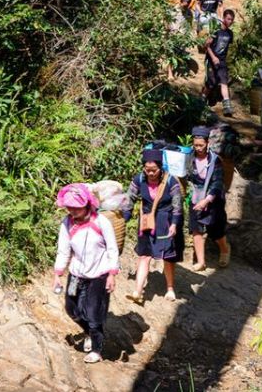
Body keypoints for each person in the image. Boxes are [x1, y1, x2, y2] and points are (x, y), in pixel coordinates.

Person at [52, 183, 119, 364]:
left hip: (99, 275)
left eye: (76, 207)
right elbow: (64, 250)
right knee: (71, 308)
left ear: (87, 204)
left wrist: (112, 274)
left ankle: (97, 349)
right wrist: (58, 273)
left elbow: (112, 249)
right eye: (69, 207)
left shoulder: (101, 222)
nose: (72, 211)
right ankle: (89, 332)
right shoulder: (67, 223)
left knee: (93, 312)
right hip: (76, 275)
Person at [122, 148, 184, 304]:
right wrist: (125, 217)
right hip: (146, 222)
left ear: (160, 167)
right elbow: (130, 198)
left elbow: (177, 205)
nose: (150, 173)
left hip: (165, 222)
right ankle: (138, 291)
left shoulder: (171, 181)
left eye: (154, 170)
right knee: (144, 255)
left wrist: (175, 224)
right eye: (147, 170)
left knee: (167, 257)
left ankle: (170, 288)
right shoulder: (139, 179)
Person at [187, 126, 230, 271]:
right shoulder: (189, 158)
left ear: (208, 144)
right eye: (196, 145)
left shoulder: (215, 161)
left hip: (213, 199)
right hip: (195, 196)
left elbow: (217, 183)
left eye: (201, 145)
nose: (198, 148)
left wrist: (207, 200)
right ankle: (201, 261)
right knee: (196, 229)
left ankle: (224, 250)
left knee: (215, 230)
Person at [203, 9, 235, 117]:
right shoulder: (216, 30)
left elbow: (226, 48)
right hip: (211, 60)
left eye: (231, 20)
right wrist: (213, 57)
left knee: (224, 81)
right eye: (228, 19)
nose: (230, 21)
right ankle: (201, 99)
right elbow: (206, 46)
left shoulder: (230, 34)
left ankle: (227, 107)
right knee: (211, 83)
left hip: (221, 61)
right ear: (224, 18)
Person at [167, 0, 194, 80]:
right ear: (180, 2)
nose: (185, 7)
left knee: (179, 53)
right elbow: (166, 20)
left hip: (182, 37)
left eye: (187, 6)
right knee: (170, 53)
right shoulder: (173, 10)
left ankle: (179, 69)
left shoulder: (189, 13)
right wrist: (168, 31)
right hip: (173, 35)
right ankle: (170, 74)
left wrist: (188, 35)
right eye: (184, 5)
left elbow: (189, 24)